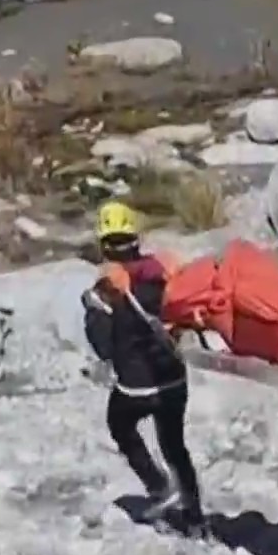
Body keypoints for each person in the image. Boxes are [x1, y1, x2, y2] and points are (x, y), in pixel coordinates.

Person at [81, 201, 204, 531]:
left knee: (119, 426)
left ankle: (159, 487)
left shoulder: (106, 287)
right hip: (174, 377)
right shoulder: (160, 271)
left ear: (104, 245)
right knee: (174, 444)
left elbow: (104, 347)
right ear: (136, 238)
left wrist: (96, 316)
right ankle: (194, 518)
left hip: (137, 384)